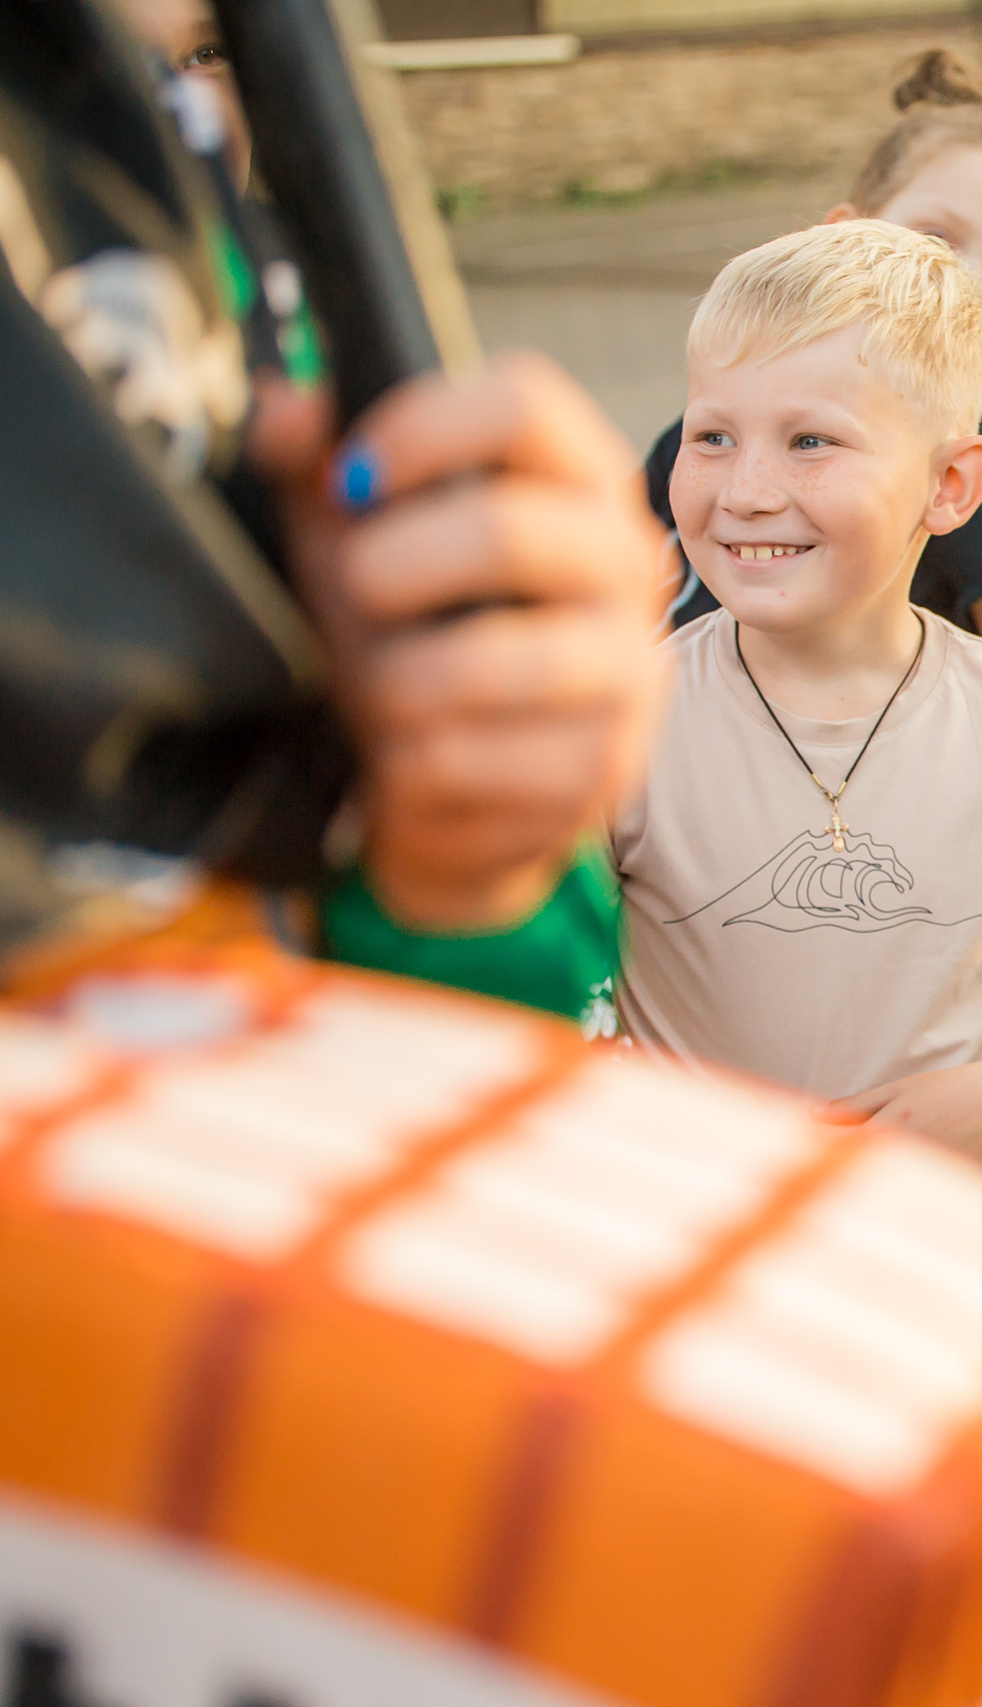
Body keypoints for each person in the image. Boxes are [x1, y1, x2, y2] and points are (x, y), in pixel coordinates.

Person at [5, 0, 660, 1021]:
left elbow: (511, 1001)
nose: (172, 121)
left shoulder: (289, 381)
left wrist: (460, 861)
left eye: (206, 59)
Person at [614, 219, 982, 1186]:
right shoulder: (621, 716)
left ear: (950, 485)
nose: (746, 489)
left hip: (949, 1273)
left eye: (810, 442)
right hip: (695, 1264)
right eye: (712, 436)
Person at [642, 50, 982, 672]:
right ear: (840, 233)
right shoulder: (696, 444)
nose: (968, 282)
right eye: (936, 241)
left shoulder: (942, 466)